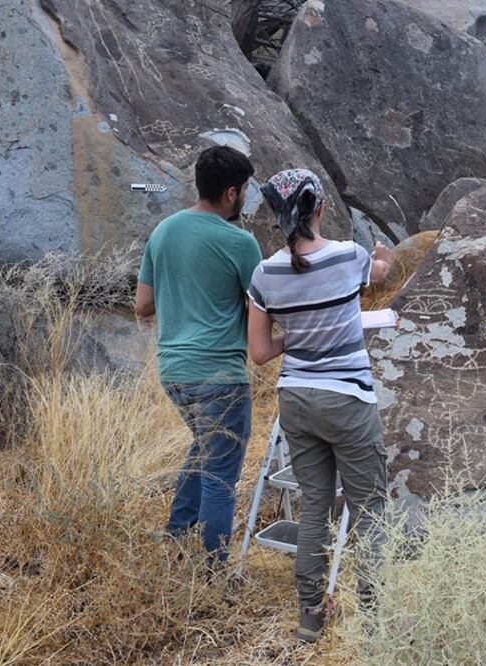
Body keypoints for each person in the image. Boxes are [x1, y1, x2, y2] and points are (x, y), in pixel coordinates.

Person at [247, 169, 393, 643]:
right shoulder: (350, 257)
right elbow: (377, 275)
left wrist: (302, 333)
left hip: (297, 399)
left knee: (315, 507)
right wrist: (384, 265)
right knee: (369, 508)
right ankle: (375, 618)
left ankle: (310, 616)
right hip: (347, 399)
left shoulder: (265, 273)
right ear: (321, 208)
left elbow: (262, 352)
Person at [135, 146, 278, 563]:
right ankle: (211, 572)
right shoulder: (239, 243)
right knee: (221, 474)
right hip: (219, 375)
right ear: (232, 193)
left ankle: (177, 538)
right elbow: (261, 311)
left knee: (204, 450)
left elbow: (143, 305)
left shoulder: (163, 231)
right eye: (246, 190)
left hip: (173, 371)